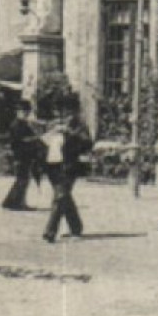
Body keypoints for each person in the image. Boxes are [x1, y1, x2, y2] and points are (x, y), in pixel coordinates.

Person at [41, 100, 92, 243]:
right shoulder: (54, 125)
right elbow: (44, 142)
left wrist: (69, 133)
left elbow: (87, 143)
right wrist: (50, 133)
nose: (64, 116)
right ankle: (76, 227)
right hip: (52, 166)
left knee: (60, 197)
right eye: (61, 112)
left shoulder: (79, 126)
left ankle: (50, 232)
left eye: (68, 112)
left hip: (68, 166)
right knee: (64, 197)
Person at [1, 100, 43, 211]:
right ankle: (19, 203)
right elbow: (20, 140)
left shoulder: (24, 124)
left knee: (22, 179)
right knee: (22, 179)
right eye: (23, 111)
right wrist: (35, 138)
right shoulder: (16, 125)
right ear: (18, 112)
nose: (25, 113)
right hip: (20, 154)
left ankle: (10, 202)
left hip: (26, 154)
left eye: (26, 111)